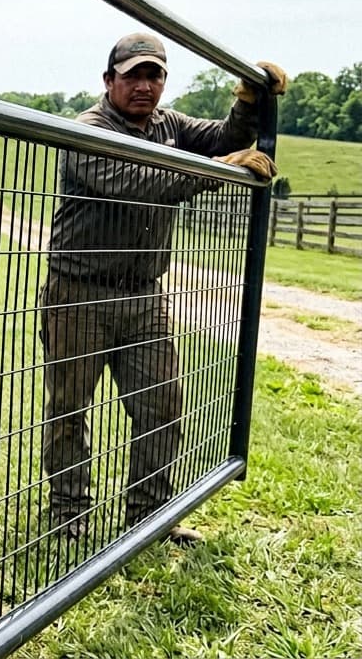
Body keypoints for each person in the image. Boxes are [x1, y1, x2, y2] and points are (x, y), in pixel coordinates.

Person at [41, 32, 286, 545]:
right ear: (109, 81)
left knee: (161, 403)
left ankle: (149, 516)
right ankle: (68, 516)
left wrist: (248, 100)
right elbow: (138, 182)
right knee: (69, 409)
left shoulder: (168, 125)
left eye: (154, 75)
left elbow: (223, 138)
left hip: (144, 295)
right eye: (132, 76)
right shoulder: (88, 131)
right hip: (78, 292)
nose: (144, 86)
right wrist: (212, 172)